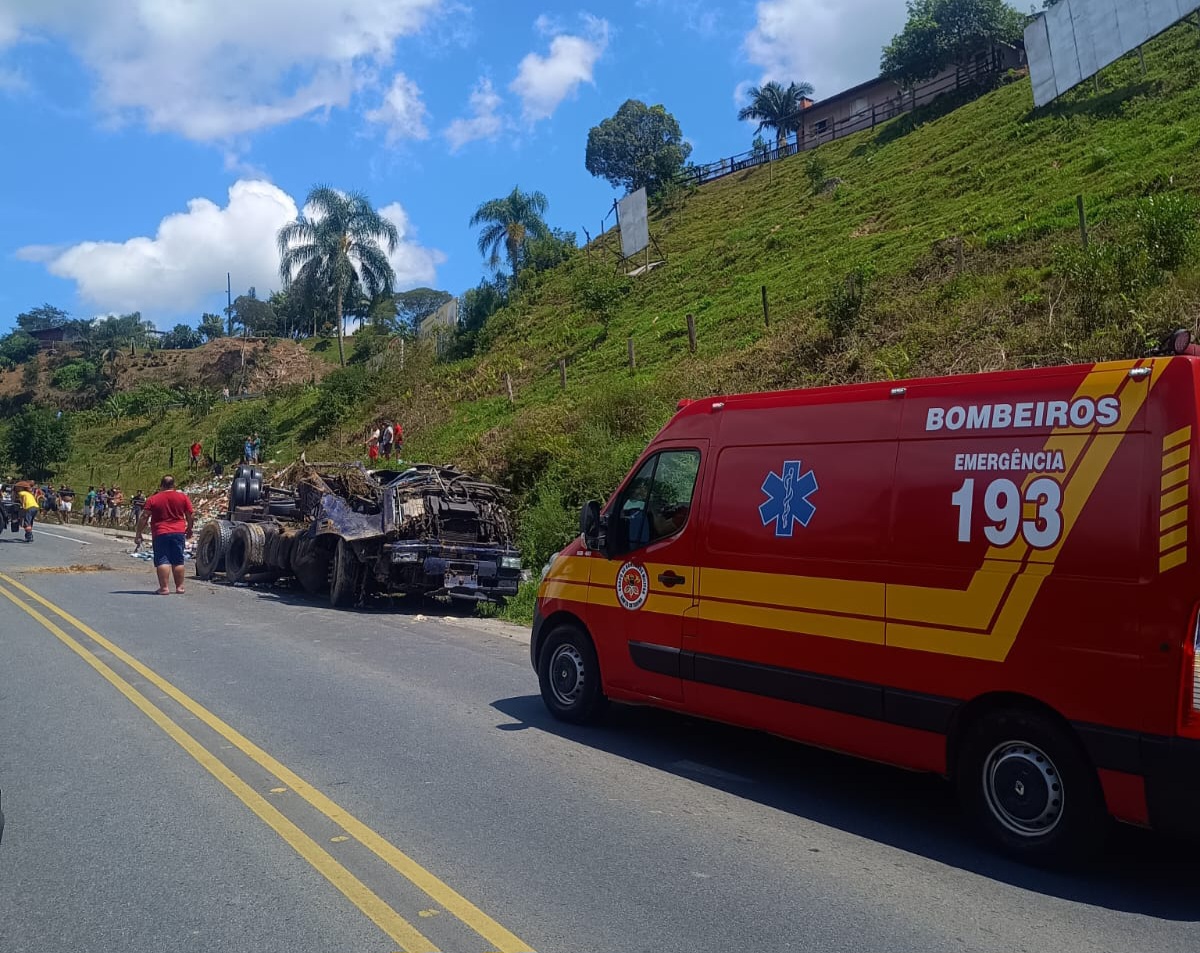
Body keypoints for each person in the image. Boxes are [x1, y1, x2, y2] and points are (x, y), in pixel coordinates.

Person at [134, 475, 195, 595]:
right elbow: (190, 515)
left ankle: (164, 588)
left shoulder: (153, 499)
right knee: (178, 560)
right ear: (174, 485)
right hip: (178, 532)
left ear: (161, 485)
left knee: (163, 560)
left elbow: (144, 516)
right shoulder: (183, 497)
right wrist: (189, 528)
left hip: (160, 533)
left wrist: (139, 533)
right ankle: (180, 587)